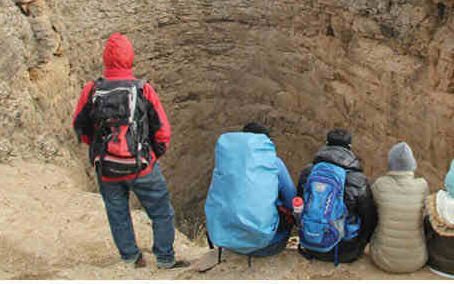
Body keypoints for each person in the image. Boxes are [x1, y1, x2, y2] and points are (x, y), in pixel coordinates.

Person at [72, 33, 186, 269]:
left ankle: (131, 258)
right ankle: (165, 259)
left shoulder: (91, 90)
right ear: (130, 58)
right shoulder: (143, 90)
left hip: (107, 168)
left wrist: (97, 150)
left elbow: (80, 126)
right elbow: (162, 130)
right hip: (141, 166)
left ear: (106, 59)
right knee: (161, 211)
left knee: (118, 213)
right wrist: (152, 155)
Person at [205, 122, 297, 258]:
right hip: (265, 245)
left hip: (226, 241)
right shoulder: (273, 162)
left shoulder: (226, 162)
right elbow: (291, 200)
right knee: (288, 215)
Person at [296, 129, 377, 264]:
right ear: (349, 147)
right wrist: (362, 243)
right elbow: (369, 218)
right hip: (345, 251)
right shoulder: (358, 179)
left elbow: (299, 205)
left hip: (310, 243)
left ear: (326, 144)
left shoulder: (308, 172)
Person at [370, 142, 428, 273]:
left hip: (382, 259)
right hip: (417, 260)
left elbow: (372, 209)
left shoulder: (380, 184)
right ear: (412, 163)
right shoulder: (422, 185)